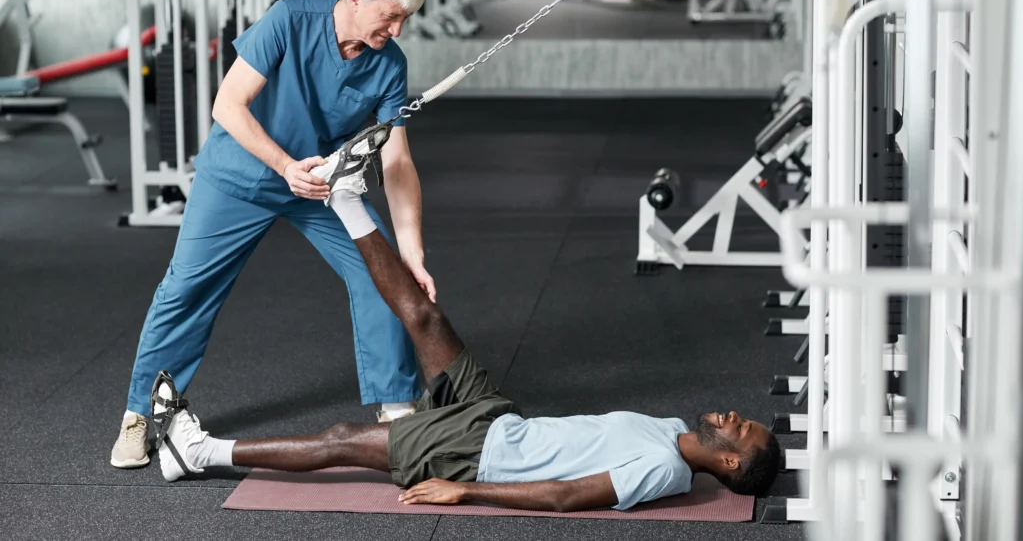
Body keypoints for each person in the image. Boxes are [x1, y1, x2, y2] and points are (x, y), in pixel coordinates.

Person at [148, 160, 782, 512]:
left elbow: (565, 496)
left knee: (342, 440)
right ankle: (346, 195)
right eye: (742, 417)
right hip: (497, 419)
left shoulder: (664, 468)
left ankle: (197, 453)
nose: (730, 416)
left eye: (739, 428)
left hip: (477, 455)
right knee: (426, 314)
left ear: (728, 462)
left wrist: (466, 489)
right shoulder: (669, 428)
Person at [110, 0, 435, 470]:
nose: (397, 30)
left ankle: (396, 411)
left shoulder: (389, 64)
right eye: (391, 15)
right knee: (187, 287)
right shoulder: (290, 19)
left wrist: (412, 252)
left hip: (320, 185)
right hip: (240, 175)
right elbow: (227, 104)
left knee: (385, 274)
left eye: (405, 19)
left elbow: (397, 162)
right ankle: (142, 416)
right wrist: (285, 165)